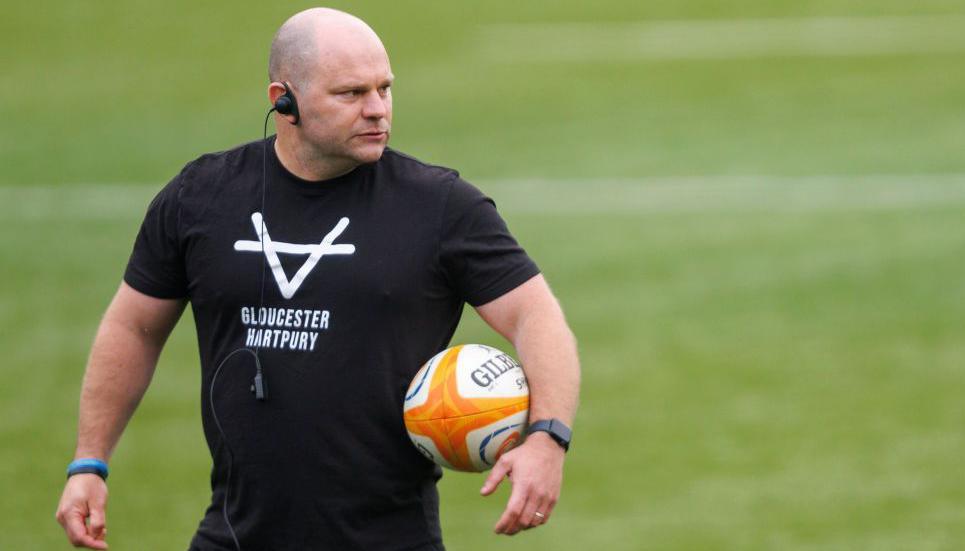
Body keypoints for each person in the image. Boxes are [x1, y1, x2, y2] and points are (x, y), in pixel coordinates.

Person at [55, 7, 580, 550]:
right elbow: (134, 326)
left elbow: (534, 313)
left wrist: (548, 437)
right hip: (233, 534)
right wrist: (89, 461)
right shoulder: (200, 196)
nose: (378, 110)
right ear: (284, 100)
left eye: (385, 88)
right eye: (351, 94)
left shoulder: (441, 207)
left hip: (390, 539)